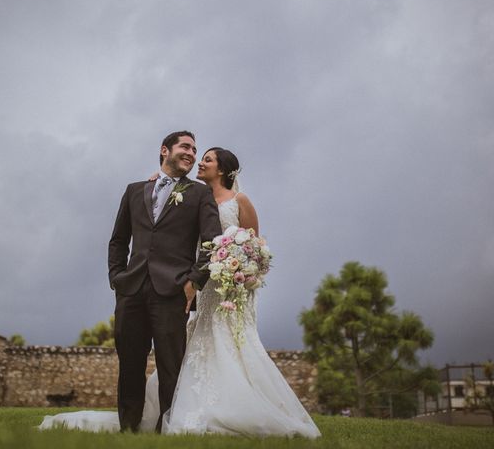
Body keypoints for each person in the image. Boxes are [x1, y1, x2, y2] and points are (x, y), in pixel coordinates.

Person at [39, 146, 320, 438]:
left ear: (222, 169)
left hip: (228, 284)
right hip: (198, 284)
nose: (199, 161)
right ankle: (180, 409)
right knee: (197, 342)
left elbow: (255, 247)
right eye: (196, 155)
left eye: (206, 159)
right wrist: (157, 185)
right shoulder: (191, 193)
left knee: (229, 343)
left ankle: (237, 403)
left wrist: (242, 274)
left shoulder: (239, 200)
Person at [109, 131, 221, 432]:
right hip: (131, 289)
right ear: (164, 150)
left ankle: (167, 430)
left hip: (173, 290)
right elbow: (119, 240)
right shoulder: (134, 191)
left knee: (171, 366)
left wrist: (194, 282)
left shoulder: (199, 193)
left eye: (195, 149)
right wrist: (116, 278)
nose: (191, 153)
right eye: (185, 146)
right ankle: (128, 428)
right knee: (130, 363)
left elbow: (212, 242)